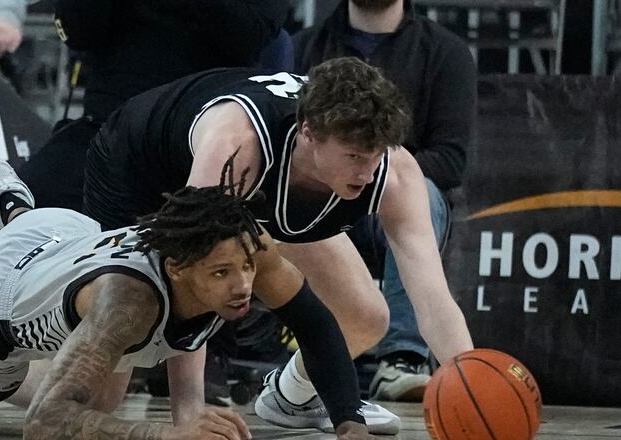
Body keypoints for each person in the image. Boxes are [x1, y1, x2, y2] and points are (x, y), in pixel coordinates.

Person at [0, 157, 376, 439]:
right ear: (179, 268)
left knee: (105, 393)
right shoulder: (127, 305)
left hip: (65, 234)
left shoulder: (237, 246)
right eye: (223, 273)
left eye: (249, 268)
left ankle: (14, 212)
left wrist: (348, 423)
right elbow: (44, 424)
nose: (244, 285)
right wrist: (169, 433)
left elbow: (314, 321)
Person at [81, 56, 474, 435]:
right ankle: (19, 368)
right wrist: (190, 415)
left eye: (374, 157)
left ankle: (292, 398)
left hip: (255, 193)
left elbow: (433, 299)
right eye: (354, 156)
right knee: (101, 396)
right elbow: (193, 283)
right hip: (138, 169)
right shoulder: (238, 148)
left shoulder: (393, 172)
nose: (367, 172)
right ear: (308, 134)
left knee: (364, 317)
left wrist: (472, 385)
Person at [292, 0, 477, 402]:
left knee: (423, 194)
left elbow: (449, 160)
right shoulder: (303, 46)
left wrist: (375, 168)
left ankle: (404, 359)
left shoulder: (446, 51)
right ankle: (279, 355)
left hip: (391, 202)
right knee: (269, 195)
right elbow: (286, 140)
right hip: (315, 192)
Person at [19, 0, 290, 211]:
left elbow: (250, 38)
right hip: (108, 128)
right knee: (26, 199)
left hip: (197, 133)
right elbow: (77, 32)